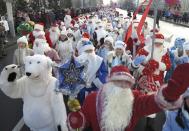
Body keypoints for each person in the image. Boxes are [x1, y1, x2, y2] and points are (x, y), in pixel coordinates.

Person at [68, 64, 189, 131]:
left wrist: (169, 94)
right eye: (117, 81)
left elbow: (152, 103)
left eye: (126, 83)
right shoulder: (92, 99)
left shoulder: (134, 99)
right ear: (109, 83)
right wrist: (76, 119)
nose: (122, 85)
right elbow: (83, 121)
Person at [76, 39, 108, 104]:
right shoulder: (77, 60)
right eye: (87, 51)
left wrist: (95, 83)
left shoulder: (99, 60)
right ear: (83, 51)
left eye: (91, 51)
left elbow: (104, 73)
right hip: (81, 89)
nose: (89, 53)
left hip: (95, 88)